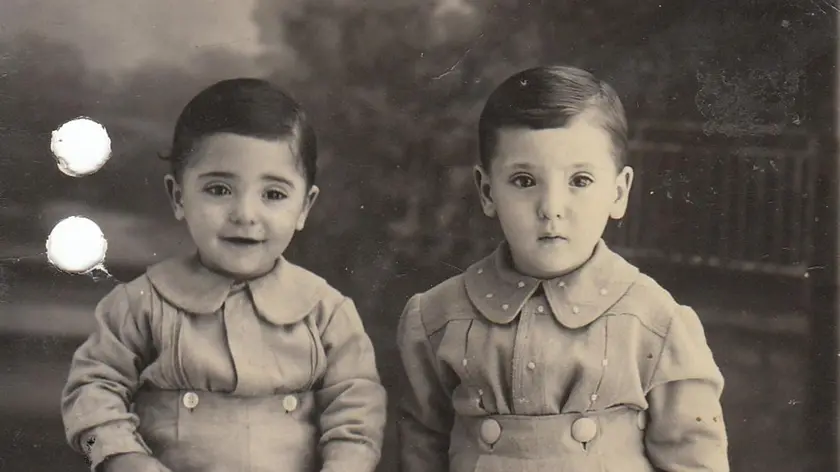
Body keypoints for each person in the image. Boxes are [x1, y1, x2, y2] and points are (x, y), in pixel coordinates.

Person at [396, 65, 729, 472]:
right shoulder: (437, 317)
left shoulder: (655, 323)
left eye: (580, 180)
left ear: (618, 192)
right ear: (487, 191)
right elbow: (421, 450)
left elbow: (695, 461)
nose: (551, 208)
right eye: (524, 181)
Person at [61, 78, 387, 472]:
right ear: (179, 197)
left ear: (305, 206)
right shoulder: (139, 305)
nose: (245, 214)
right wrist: (121, 456)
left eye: (273, 194)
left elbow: (358, 417)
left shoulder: (327, 313)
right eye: (219, 190)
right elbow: (91, 391)